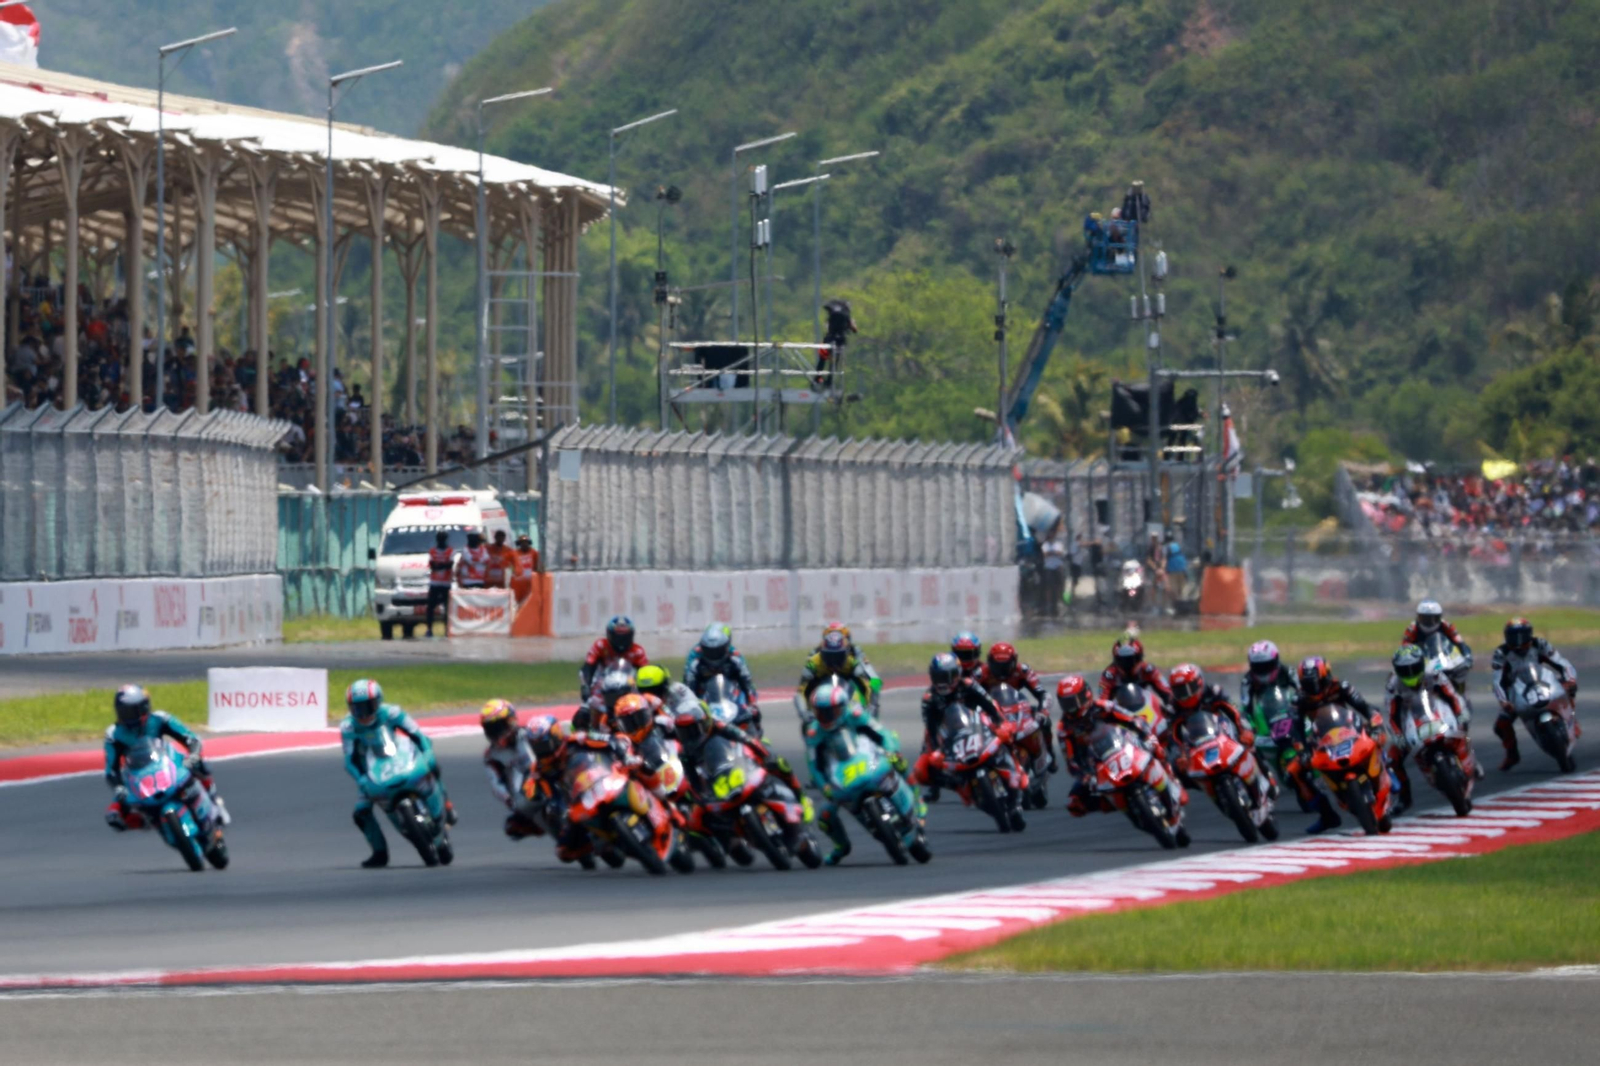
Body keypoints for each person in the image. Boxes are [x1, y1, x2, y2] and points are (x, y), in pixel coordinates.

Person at [673, 701, 807, 866]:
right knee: (698, 817)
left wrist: (765, 755)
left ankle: (800, 797)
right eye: (684, 732)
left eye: (693, 729)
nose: (689, 735)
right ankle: (731, 842)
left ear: (705, 722)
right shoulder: (685, 752)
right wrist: (699, 796)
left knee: (780, 764)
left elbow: (746, 739)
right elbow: (691, 778)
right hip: (717, 782)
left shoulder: (720, 727)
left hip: (738, 765)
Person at [340, 679, 456, 868]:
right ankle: (379, 853)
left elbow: (417, 734)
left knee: (433, 766)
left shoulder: (392, 712)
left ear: (378, 702)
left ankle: (447, 807)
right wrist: (361, 779)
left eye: (367, 707)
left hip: (397, 755)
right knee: (361, 813)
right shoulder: (348, 726)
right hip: (370, 772)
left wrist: (427, 753)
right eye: (357, 709)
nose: (363, 714)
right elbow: (349, 760)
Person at [1055, 675, 1187, 840]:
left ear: (1086, 695)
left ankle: (1170, 780)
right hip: (1095, 763)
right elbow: (1071, 761)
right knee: (1075, 803)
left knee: (1158, 751)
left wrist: (1150, 739)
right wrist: (1085, 776)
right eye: (1066, 703)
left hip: (1123, 745)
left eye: (1074, 701)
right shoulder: (1064, 729)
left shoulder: (1104, 707)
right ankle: (1117, 805)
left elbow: (1134, 720)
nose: (1071, 708)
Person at [803, 680, 914, 866]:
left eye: (830, 711)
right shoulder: (814, 733)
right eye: (820, 712)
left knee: (899, 761)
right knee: (824, 818)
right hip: (841, 774)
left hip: (869, 758)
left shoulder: (855, 714)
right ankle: (841, 847)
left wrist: (890, 750)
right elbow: (814, 767)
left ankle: (915, 797)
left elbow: (882, 732)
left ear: (841, 707)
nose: (825, 717)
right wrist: (825, 787)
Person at [103, 685, 225, 832]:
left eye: (129, 712)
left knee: (200, 765)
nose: (125, 717)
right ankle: (147, 822)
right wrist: (118, 787)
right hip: (137, 776)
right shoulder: (114, 734)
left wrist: (193, 755)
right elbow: (111, 770)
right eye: (122, 712)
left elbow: (191, 739)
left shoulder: (160, 719)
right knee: (114, 815)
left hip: (165, 763)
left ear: (143, 708)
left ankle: (214, 800)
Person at [1294, 656, 1382, 834]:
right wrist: (1302, 750)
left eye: (1317, 683)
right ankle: (1327, 815)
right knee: (1295, 770)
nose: (1314, 688)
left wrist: (1374, 721)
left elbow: (1363, 706)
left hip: (1350, 730)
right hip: (1322, 738)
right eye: (1308, 684)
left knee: (1378, 737)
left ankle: (1387, 772)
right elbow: (1296, 729)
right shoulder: (1299, 699)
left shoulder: (1341, 687)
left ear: (1326, 676)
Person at [1385, 644, 1478, 812]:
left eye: (1414, 668)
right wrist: (1398, 736)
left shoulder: (1433, 673)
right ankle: (1405, 798)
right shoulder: (1393, 685)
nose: (1410, 674)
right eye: (1405, 670)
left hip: (1437, 710)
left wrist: (1461, 713)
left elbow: (1452, 695)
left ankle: (1472, 761)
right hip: (1411, 719)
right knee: (1392, 759)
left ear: (1421, 664)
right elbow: (1392, 714)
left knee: (1463, 729)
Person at [913, 651, 1012, 803]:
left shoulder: (968, 684)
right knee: (922, 768)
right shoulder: (929, 698)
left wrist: (1000, 721)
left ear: (957, 674)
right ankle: (949, 787)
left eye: (947, 677)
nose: (943, 682)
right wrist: (935, 751)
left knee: (1006, 731)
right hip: (947, 729)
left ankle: (1011, 764)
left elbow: (988, 702)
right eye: (939, 677)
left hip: (976, 720)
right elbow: (930, 727)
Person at [1167, 664, 1270, 801]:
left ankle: (1265, 773)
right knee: (1177, 768)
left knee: (1249, 741)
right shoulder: (1173, 706)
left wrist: (1243, 729)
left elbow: (1234, 710)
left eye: (1187, 689)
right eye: (1179, 691)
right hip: (1197, 738)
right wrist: (1180, 756)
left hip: (1222, 729)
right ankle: (1208, 787)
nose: (1184, 696)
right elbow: (1172, 735)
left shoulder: (1212, 691)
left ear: (1199, 683)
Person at [1489, 617, 1579, 771]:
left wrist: (1570, 679)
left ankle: (1573, 722)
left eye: (1522, 635)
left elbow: (1562, 663)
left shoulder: (1539, 644)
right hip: (1516, 692)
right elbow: (1497, 681)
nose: (1518, 641)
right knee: (1501, 725)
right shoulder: (1501, 653)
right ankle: (1512, 754)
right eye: (1513, 636)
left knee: (1568, 690)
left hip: (1542, 682)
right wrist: (1503, 701)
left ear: (1529, 634)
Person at [977, 641, 1058, 772]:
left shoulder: (1023, 671)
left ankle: (1050, 755)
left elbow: (1043, 694)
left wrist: (1042, 712)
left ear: (1014, 662)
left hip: (1018, 708)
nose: (1001, 671)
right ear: (990, 663)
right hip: (992, 711)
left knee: (1046, 722)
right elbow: (967, 697)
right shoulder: (981, 674)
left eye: (1006, 666)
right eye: (997, 666)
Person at [479, 699, 542, 839]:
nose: (496, 733)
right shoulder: (491, 756)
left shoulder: (530, 734)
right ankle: (539, 824)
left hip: (548, 777)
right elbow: (496, 784)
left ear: (511, 721)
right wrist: (509, 799)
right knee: (512, 827)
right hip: (524, 796)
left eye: (498, 727)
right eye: (491, 729)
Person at [797, 628, 880, 712]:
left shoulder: (852, 662)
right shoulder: (813, 663)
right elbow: (801, 691)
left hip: (848, 686)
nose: (834, 662)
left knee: (861, 678)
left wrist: (871, 707)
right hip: (821, 688)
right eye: (829, 657)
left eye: (838, 657)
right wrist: (804, 712)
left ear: (846, 654)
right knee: (809, 682)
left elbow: (868, 685)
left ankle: (858, 707)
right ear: (821, 654)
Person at [683, 623, 759, 713]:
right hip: (704, 691)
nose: (713, 654)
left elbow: (747, 680)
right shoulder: (694, 656)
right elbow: (688, 681)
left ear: (727, 645)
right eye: (709, 650)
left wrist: (752, 703)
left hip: (729, 690)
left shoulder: (735, 656)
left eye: (718, 650)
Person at [1400, 599, 1473, 692]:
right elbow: (1404, 649)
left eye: (1433, 619)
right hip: (1423, 660)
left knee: (1461, 671)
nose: (1429, 622)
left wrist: (1467, 656)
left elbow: (1459, 642)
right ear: (1418, 618)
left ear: (1439, 617)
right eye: (1425, 619)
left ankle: (1461, 693)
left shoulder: (1446, 625)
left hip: (1443, 657)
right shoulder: (1412, 629)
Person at [579, 616, 649, 700]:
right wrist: (585, 686)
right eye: (618, 637)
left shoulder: (638, 651)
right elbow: (587, 668)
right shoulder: (600, 645)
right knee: (588, 704)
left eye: (624, 638)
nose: (621, 641)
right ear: (609, 635)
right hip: (602, 685)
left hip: (629, 685)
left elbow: (646, 673)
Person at [1098, 637, 1173, 705]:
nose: (1127, 665)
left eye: (1130, 661)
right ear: (1116, 661)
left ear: (1139, 659)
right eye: (1123, 661)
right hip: (1119, 711)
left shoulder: (1148, 670)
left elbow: (1168, 693)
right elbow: (1102, 701)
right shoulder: (1109, 675)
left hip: (1144, 708)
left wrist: (1171, 705)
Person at [1240, 639, 1299, 710]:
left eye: (1267, 666)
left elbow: (1301, 689)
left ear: (1276, 661)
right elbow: (1245, 706)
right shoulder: (1247, 681)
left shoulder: (1289, 672)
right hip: (1263, 713)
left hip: (1289, 711)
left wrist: (1297, 699)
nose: (1263, 670)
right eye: (1258, 667)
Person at [424, 530, 454, 638]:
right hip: (435, 583)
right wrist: (443, 565)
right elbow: (432, 565)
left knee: (447, 607)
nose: (441, 540)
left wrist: (439, 566)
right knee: (430, 607)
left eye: (443, 538)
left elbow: (450, 565)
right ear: (437, 539)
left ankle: (447, 629)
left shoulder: (450, 551)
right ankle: (429, 629)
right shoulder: (432, 551)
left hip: (446, 583)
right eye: (440, 538)